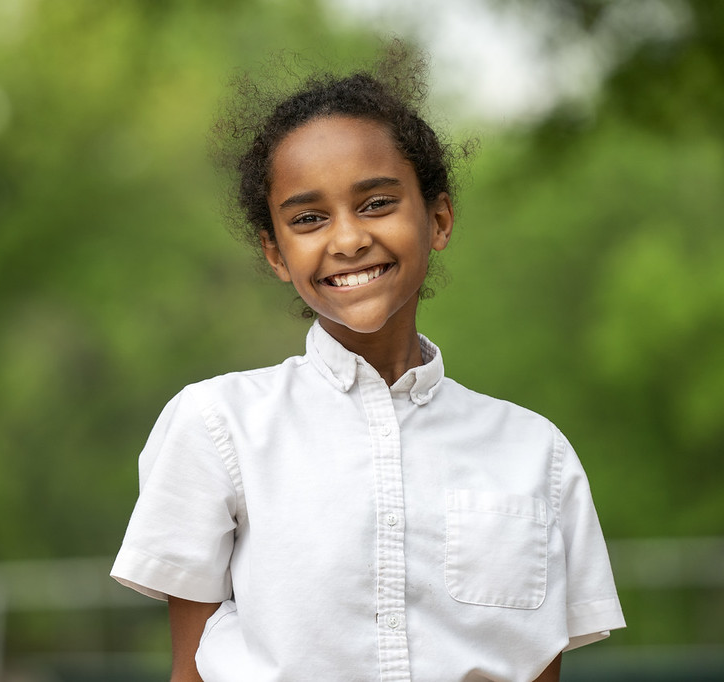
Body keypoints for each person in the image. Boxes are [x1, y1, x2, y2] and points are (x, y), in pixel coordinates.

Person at [110, 45, 625, 682]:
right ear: (276, 253)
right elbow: (189, 671)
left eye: (377, 203)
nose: (349, 239)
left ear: (437, 218)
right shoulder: (218, 426)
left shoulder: (535, 453)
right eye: (308, 218)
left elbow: (535, 667)